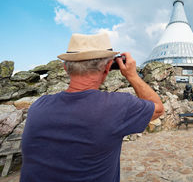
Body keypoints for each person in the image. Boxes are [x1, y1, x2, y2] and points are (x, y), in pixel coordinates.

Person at [20, 33, 164, 182]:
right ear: (108, 67)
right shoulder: (118, 106)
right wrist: (132, 75)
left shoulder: (38, 106)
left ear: (65, 68)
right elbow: (158, 108)